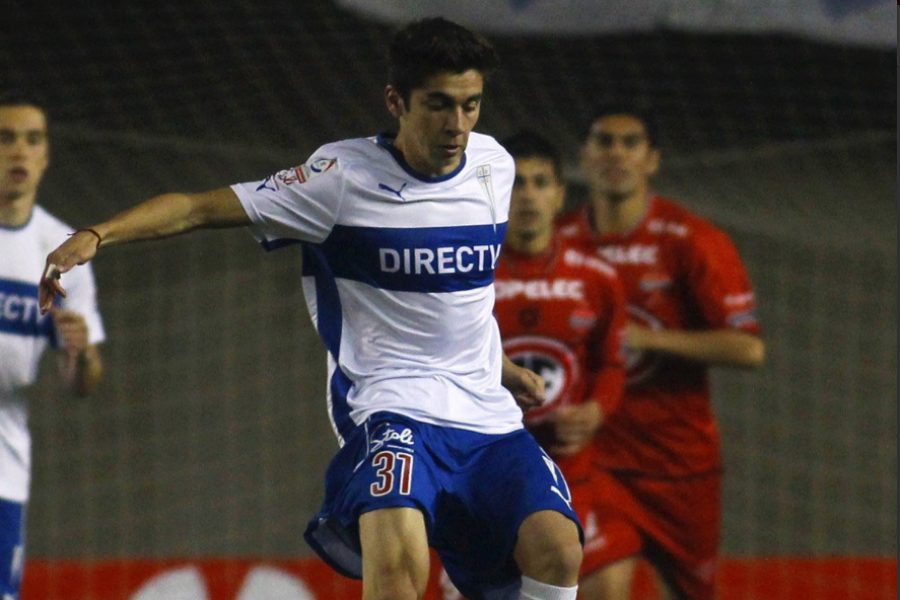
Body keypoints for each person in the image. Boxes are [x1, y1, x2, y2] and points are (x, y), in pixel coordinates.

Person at [37, 18, 583, 600]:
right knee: (399, 564)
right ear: (396, 101)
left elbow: (455, 298)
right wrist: (98, 233)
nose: (457, 125)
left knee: (558, 549)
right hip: (391, 407)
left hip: (485, 416)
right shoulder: (338, 179)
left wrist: (499, 369)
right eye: (439, 105)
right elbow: (198, 208)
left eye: (471, 105)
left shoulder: (493, 167)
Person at [555, 103, 766, 600]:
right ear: (584, 157)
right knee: (603, 585)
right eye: (604, 142)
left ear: (652, 160)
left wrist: (649, 340)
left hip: (679, 463)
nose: (616, 154)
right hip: (593, 457)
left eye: (631, 144)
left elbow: (749, 349)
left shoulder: (692, 240)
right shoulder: (558, 242)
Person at [440, 130, 628, 600]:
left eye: (541, 182)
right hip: (485, 467)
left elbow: (612, 364)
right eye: (517, 182)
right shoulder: (465, 272)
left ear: (560, 194)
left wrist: (596, 412)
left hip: (572, 469)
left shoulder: (598, 278)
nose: (528, 195)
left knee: (606, 585)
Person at [0, 90, 105, 600]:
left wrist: (80, 353)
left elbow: (80, 385)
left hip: (4, 461)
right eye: (6, 139)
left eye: (32, 140)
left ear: (45, 156)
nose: (19, 152)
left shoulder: (61, 251)